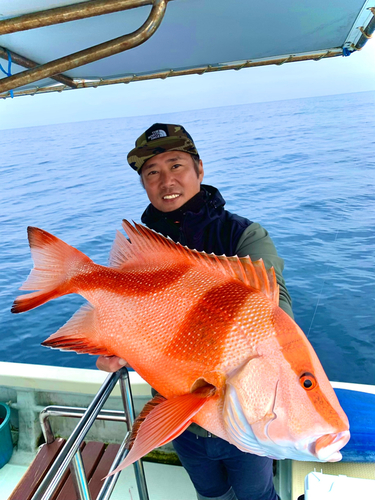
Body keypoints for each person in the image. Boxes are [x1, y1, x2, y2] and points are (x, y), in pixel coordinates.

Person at [97, 123, 293, 500]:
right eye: (152, 172)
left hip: (244, 411)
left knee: (257, 493)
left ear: (199, 170)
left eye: (176, 165)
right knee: (209, 492)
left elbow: (276, 307)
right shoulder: (140, 252)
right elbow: (124, 316)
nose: (166, 180)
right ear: (144, 184)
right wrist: (113, 343)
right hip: (180, 412)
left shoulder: (243, 235)